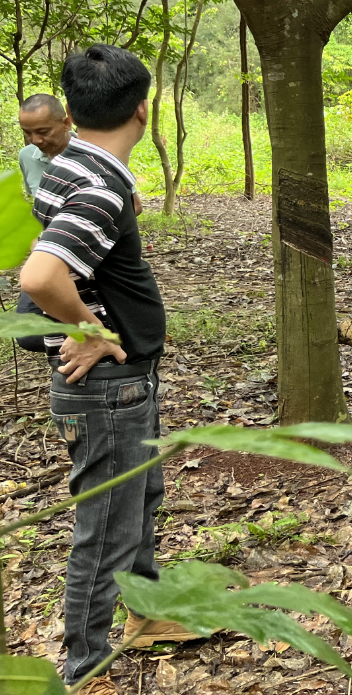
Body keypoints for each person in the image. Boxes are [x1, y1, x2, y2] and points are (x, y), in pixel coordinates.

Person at [19, 45, 198, 695]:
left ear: (70, 113)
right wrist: (90, 329)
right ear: (144, 110)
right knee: (107, 527)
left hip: (126, 380)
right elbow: (40, 274)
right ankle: (85, 667)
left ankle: (146, 618)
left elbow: (77, 233)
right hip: (104, 389)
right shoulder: (96, 183)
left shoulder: (74, 167)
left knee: (139, 502)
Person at [18, 93, 73, 195]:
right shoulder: (26, 156)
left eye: (43, 132)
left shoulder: (93, 155)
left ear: (66, 124)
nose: (35, 140)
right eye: (27, 132)